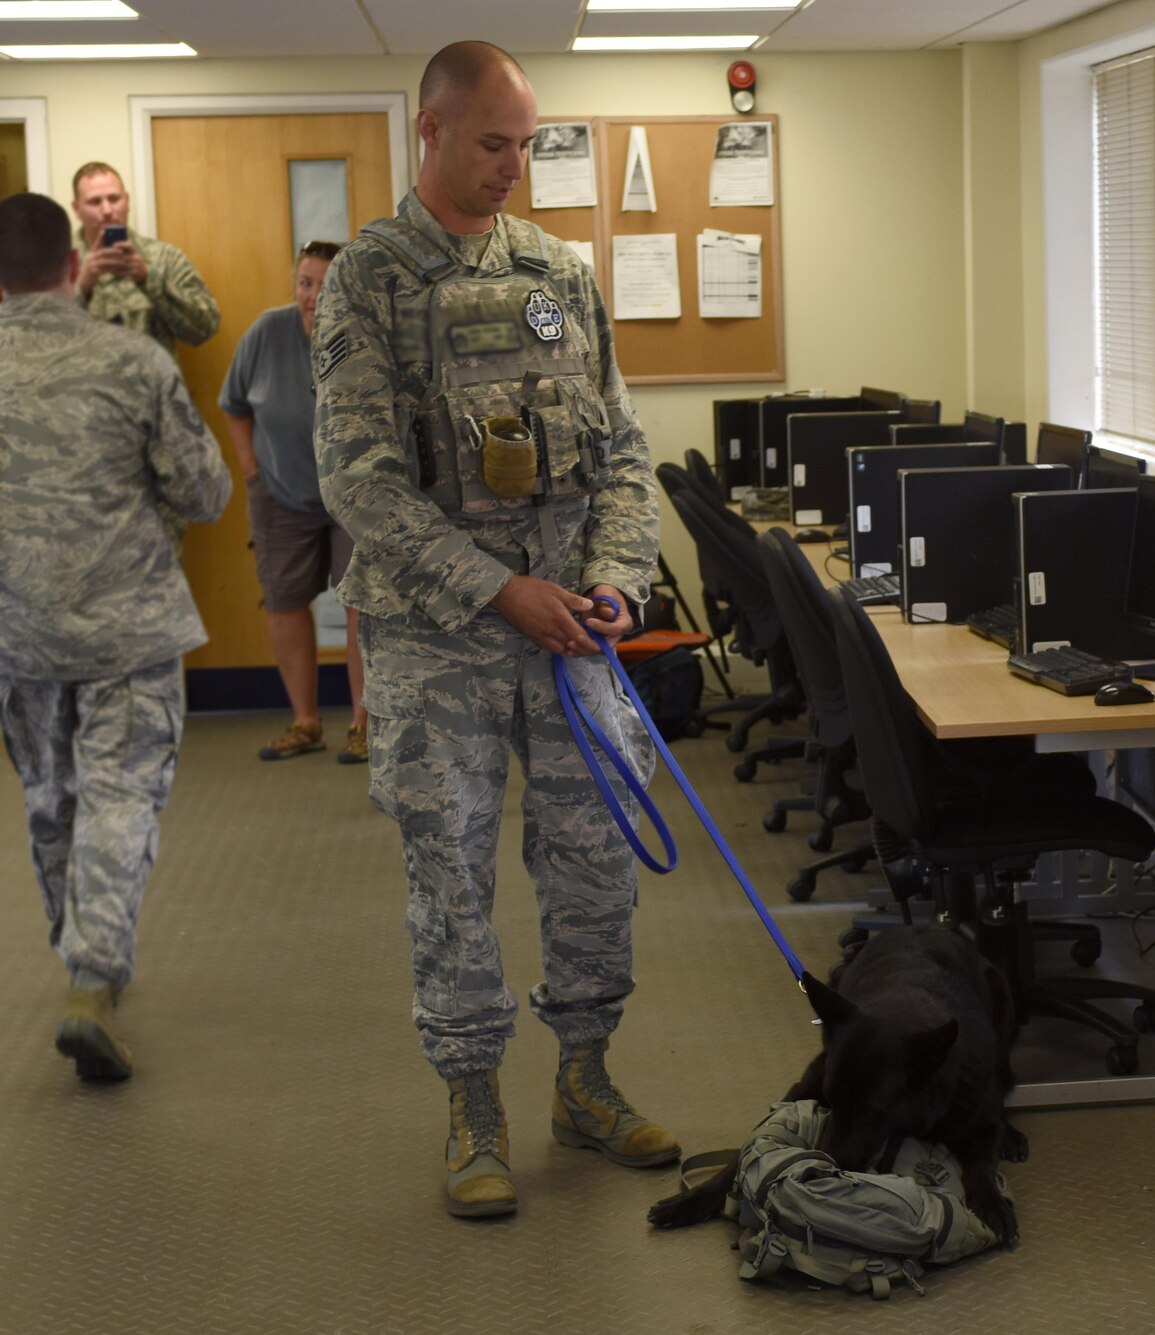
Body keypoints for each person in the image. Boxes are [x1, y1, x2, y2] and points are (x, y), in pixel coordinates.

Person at [312, 40, 672, 1219]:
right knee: (451, 875)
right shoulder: (373, 278)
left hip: (572, 630)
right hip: (437, 638)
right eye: (493, 142)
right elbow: (359, 483)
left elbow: (622, 449)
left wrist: (614, 578)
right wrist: (492, 587)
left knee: (594, 862)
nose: (516, 165)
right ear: (429, 130)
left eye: (528, 143)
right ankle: (472, 1101)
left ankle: (585, 1077)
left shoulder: (557, 273)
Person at [0, 192, 232, 1083]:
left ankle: (78, 951)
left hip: (20, 633)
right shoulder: (133, 363)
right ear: (72, 264)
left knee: (52, 796)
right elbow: (204, 493)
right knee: (120, 798)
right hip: (127, 628)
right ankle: (92, 978)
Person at [220, 241, 369, 764]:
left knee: (361, 603)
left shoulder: (366, 333)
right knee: (284, 600)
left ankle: (362, 722)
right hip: (280, 493)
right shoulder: (266, 332)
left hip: (352, 494)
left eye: (325, 285)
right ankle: (305, 723)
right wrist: (251, 471)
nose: (313, 295)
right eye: (306, 283)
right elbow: (234, 404)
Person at [70, 162, 220, 356]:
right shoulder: (56, 266)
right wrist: (81, 287)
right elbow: (35, 343)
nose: (107, 210)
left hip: (152, 385)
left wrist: (149, 279)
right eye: (95, 202)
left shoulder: (165, 258)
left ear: (127, 201)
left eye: (114, 199)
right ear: (76, 209)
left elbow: (205, 328)